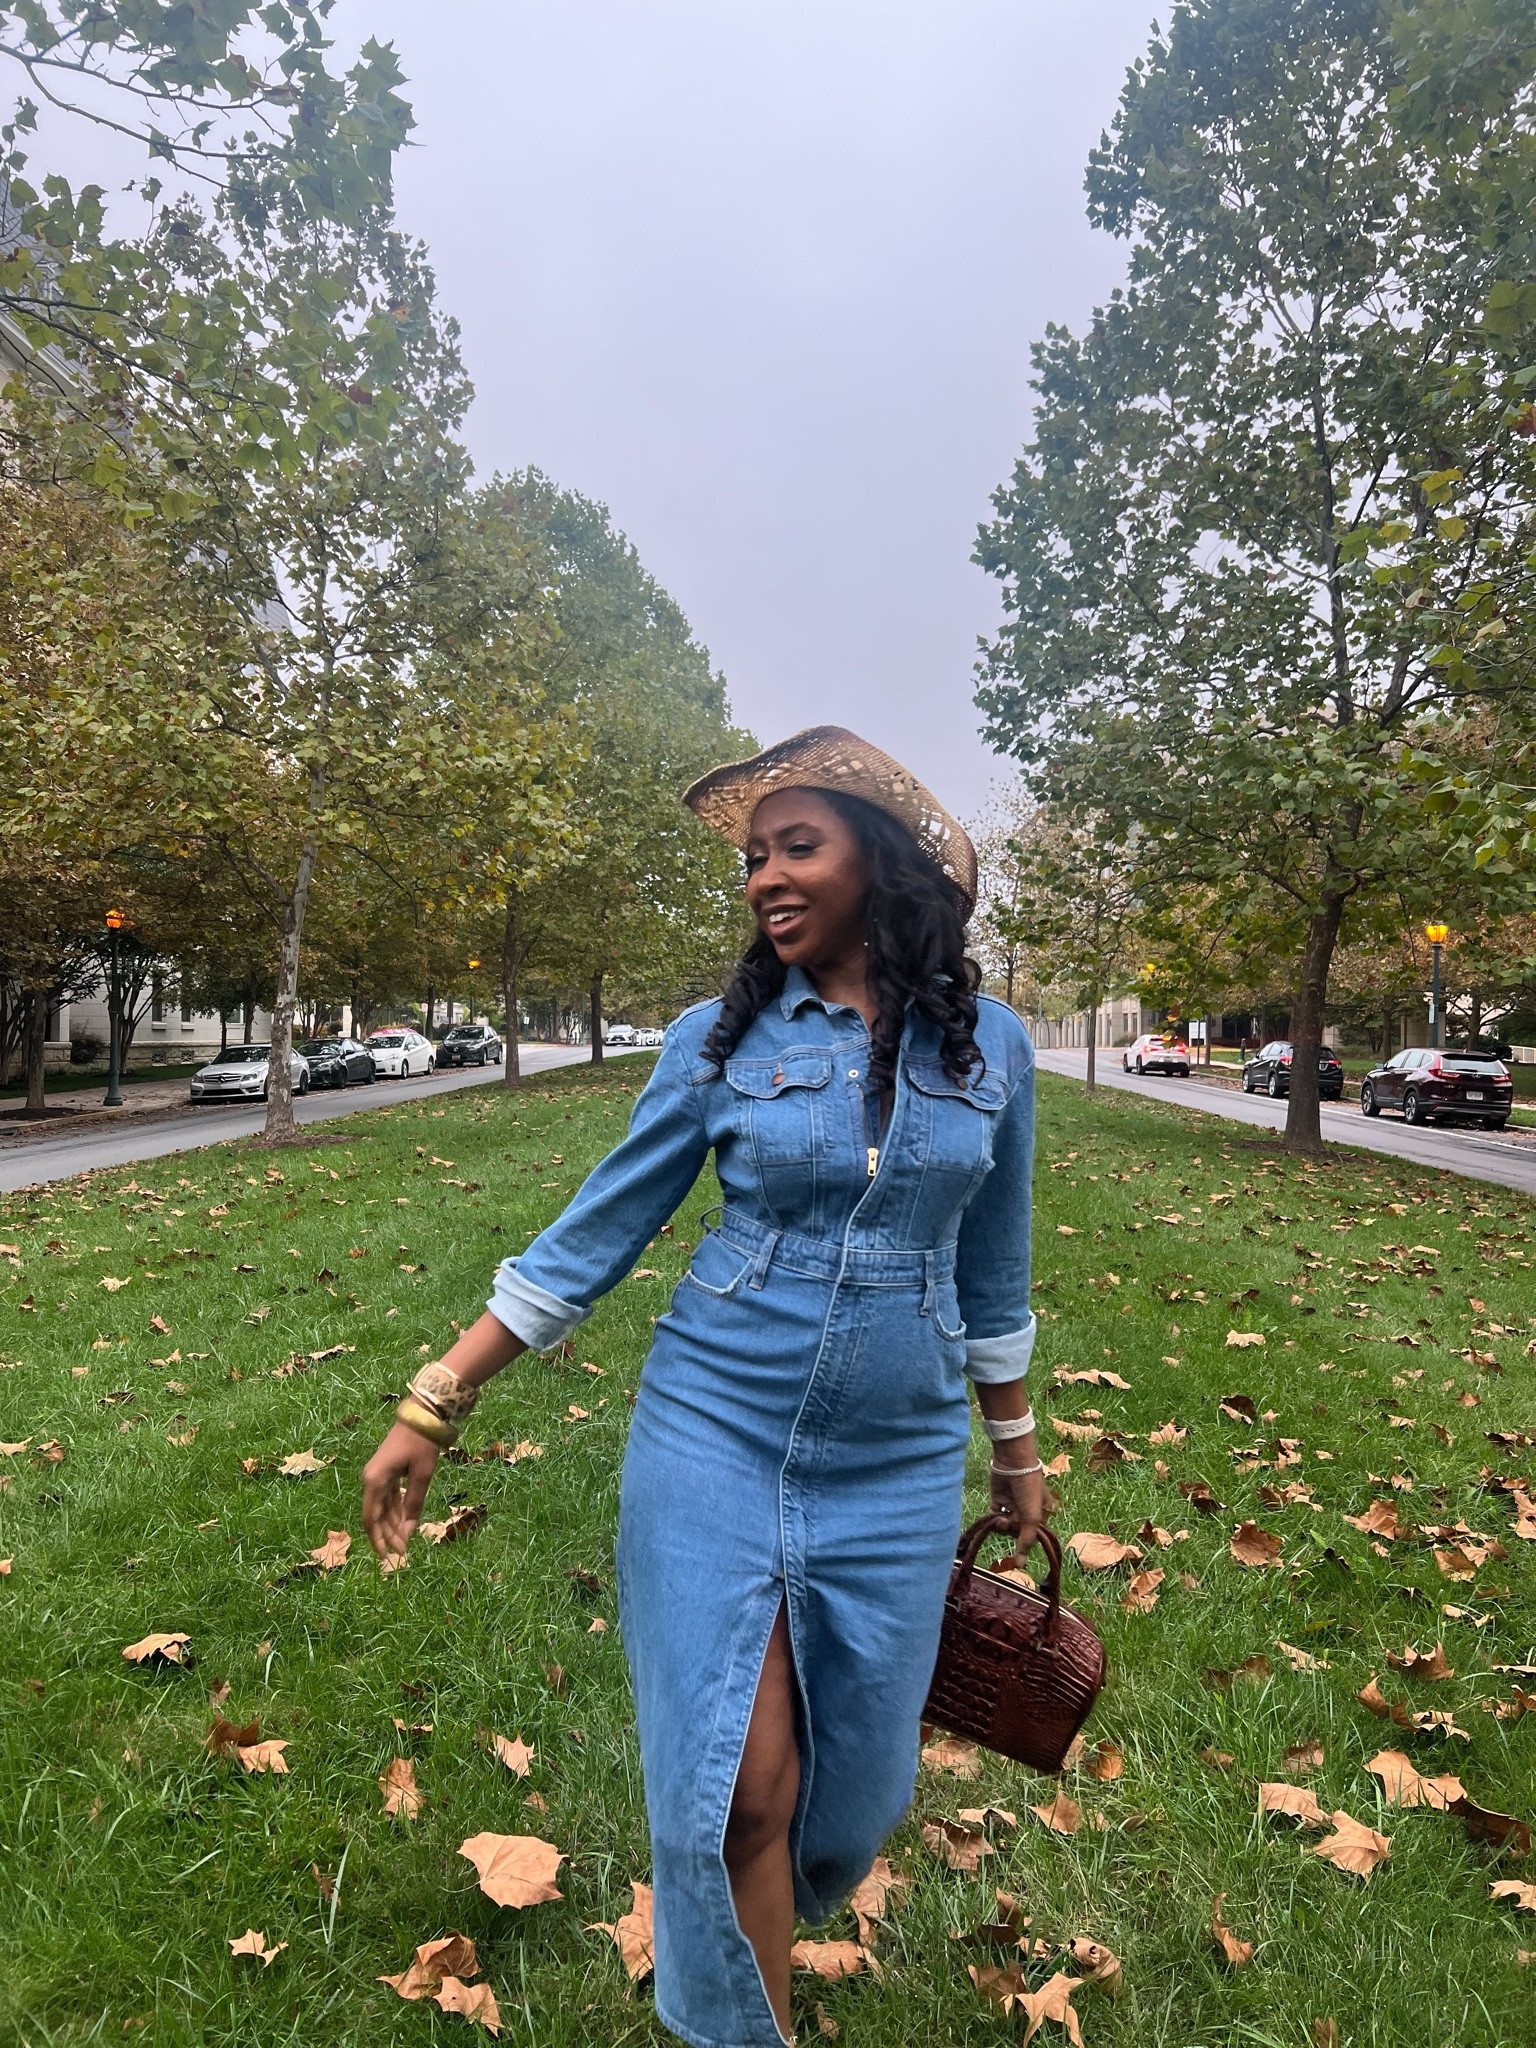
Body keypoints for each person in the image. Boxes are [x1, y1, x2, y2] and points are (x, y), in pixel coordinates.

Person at [362, 726, 1044, 2048]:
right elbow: (589, 1241)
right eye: (752, 858)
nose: (763, 880)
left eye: (798, 847)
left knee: (849, 1808)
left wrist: (1014, 1454)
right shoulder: (717, 1039)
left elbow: (996, 1271)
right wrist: (433, 1398)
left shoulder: (991, 1051)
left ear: (882, 863)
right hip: (713, 1431)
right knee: (740, 1795)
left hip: (899, 1461)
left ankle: (783, 1910)